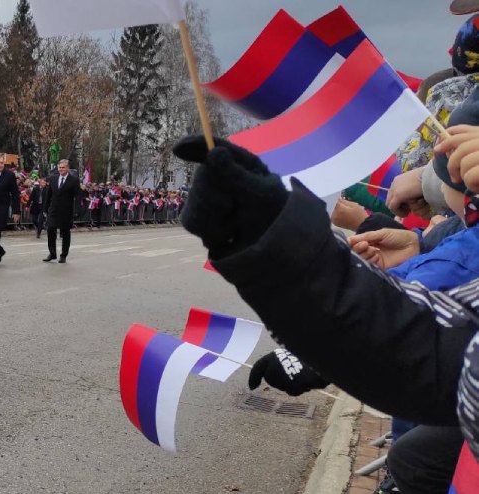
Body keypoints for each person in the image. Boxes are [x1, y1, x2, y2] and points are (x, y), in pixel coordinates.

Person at [173, 135, 479, 492]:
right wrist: (271, 233)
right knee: (411, 459)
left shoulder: (459, 252)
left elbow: (421, 345)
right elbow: (431, 349)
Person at [43, 159, 79, 263]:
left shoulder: (73, 180)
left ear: (67, 168)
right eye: (60, 167)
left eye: (63, 167)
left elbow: (77, 196)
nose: (61, 169)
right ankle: (52, 253)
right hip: (54, 209)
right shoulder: (53, 178)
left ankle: (63, 254)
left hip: (66, 210)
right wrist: (45, 208)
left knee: (65, 233)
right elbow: (49, 194)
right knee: (50, 230)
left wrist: (77, 210)